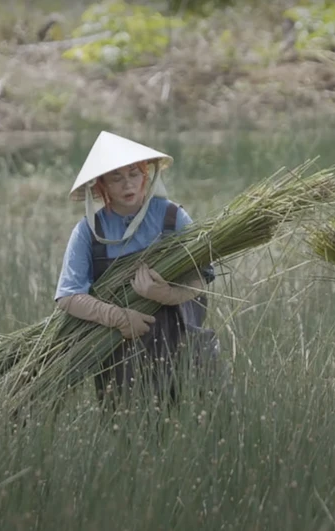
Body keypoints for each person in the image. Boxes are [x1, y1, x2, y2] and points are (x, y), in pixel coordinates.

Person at [54, 131, 221, 412]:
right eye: (116, 178)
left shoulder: (172, 217)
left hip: (185, 347)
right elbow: (68, 296)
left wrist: (167, 294)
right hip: (122, 356)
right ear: (101, 185)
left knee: (205, 423)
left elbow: (200, 277)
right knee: (134, 436)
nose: (128, 184)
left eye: (134, 174)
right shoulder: (89, 232)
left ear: (146, 174)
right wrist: (118, 317)